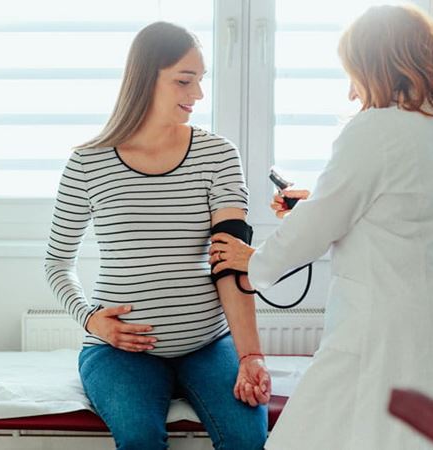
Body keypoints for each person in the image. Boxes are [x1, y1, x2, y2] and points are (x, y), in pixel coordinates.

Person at [209, 5, 433, 449]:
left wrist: (255, 261)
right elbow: (399, 210)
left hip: (380, 326)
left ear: (377, 65)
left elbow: (323, 225)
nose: (352, 93)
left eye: (354, 74)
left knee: (310, 436)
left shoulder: (375, 129)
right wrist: (320, 204)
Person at [44, 21, 269, 450]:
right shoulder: (87, 163)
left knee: (246, 438)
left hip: (207, 342)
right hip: (119, 351)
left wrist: (249, 355)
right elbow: (56, 263)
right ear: (145, 77)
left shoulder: (218, 155)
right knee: (140, 439)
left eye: (200, 80)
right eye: (185, 81)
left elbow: (230, 261)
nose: (198, 95)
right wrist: (91, 320)